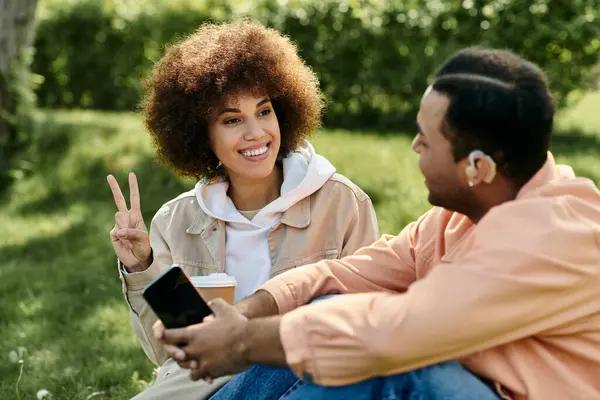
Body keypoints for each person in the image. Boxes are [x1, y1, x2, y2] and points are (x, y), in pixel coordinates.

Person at [154, 48, 600, 400]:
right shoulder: (463, 214)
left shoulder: (547, 237)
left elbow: (394, 333)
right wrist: (242, 314)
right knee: (328, 312)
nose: (413, 147)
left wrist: (242, 342)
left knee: (400, 365)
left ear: (477, 167)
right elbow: (350, 272)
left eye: (426, 142)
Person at [106, 20, 379, 400]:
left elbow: (362, 329)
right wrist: (143, 268)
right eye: (232, 119)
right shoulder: (176, 221)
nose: (256, 133)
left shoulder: (342, 204)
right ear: (201, 134)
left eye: (264, 112)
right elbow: (173, 354)